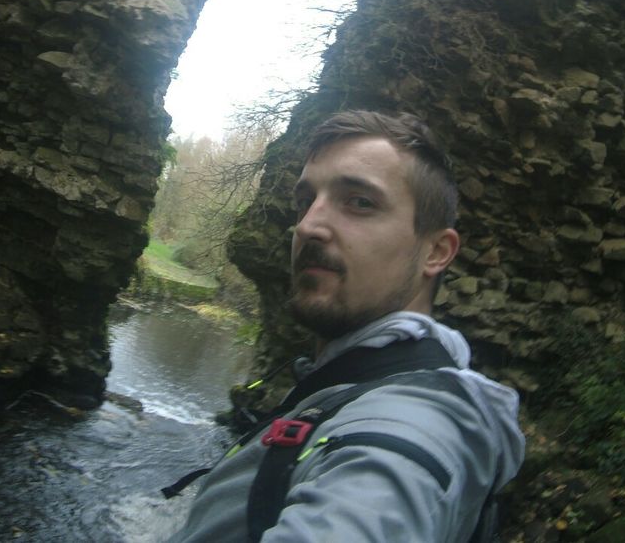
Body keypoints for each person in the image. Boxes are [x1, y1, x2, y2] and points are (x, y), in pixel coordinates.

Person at [166, 110, 525, 542]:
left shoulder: (412, 425)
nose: (308, 226)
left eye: (360, 202)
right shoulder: (352, 380)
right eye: (306, 201)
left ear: (435, 252)